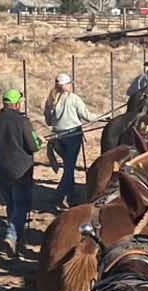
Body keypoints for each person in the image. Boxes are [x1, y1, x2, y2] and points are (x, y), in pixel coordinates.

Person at [0, 88, 41, 259]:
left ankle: (15, 238)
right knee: (21, 205)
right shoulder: (23, 122)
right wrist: (39, 141)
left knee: (11, 204)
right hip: (21, 170)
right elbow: (33, 146)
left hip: (1, 170)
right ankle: (11, 236)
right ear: (17, 104)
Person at [43, 73, 99, 209]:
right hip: (73, 136)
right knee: (69, 168)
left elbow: (48, 121)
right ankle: (60, 196)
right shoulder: (73, 98)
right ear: (66, 85)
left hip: (57, 138)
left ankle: (70, 193)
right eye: (70, 84)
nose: (71, 86)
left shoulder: (51, 100)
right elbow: (87, 116)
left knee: (69, 166)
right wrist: (105, 117)